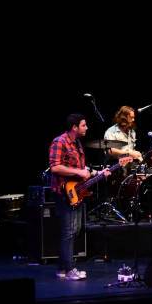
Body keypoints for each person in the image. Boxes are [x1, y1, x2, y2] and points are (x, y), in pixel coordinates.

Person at [49, 114, 110, 280]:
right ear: (74, 127)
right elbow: (55, 167)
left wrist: (98, 173)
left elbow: (82, 169)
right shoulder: (59, 141)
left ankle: (62, 269)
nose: (87, 128)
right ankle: (69, 270)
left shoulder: (77, 144)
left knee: (74, 231)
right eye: (84, 125)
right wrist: (78, 172)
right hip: (64, 192)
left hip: (77, 192)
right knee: (69, 232)